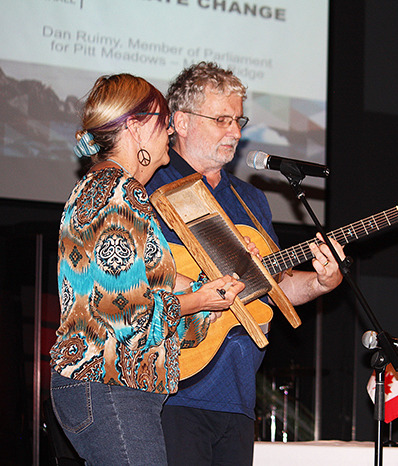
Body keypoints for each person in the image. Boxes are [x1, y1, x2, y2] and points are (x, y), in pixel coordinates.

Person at [145, 61, 345, 465]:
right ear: (180, 121)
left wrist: (322, 282)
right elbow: (137, 279)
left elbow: (272, 284)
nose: (235, 132)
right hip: (173, 390)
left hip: (238, 399)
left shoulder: (251, 201)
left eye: (238, 120)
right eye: (221, 119)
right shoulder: (150, 187)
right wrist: (205, 282)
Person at [49, 74, 249, 465]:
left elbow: (137, 288)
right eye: (163, 120)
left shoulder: (110, 190)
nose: (171, 129)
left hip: (110, 385)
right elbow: (127, 313)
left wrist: (198, 294)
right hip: (109, 382)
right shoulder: (118, 192)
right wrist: (196, 300)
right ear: (137, 128)